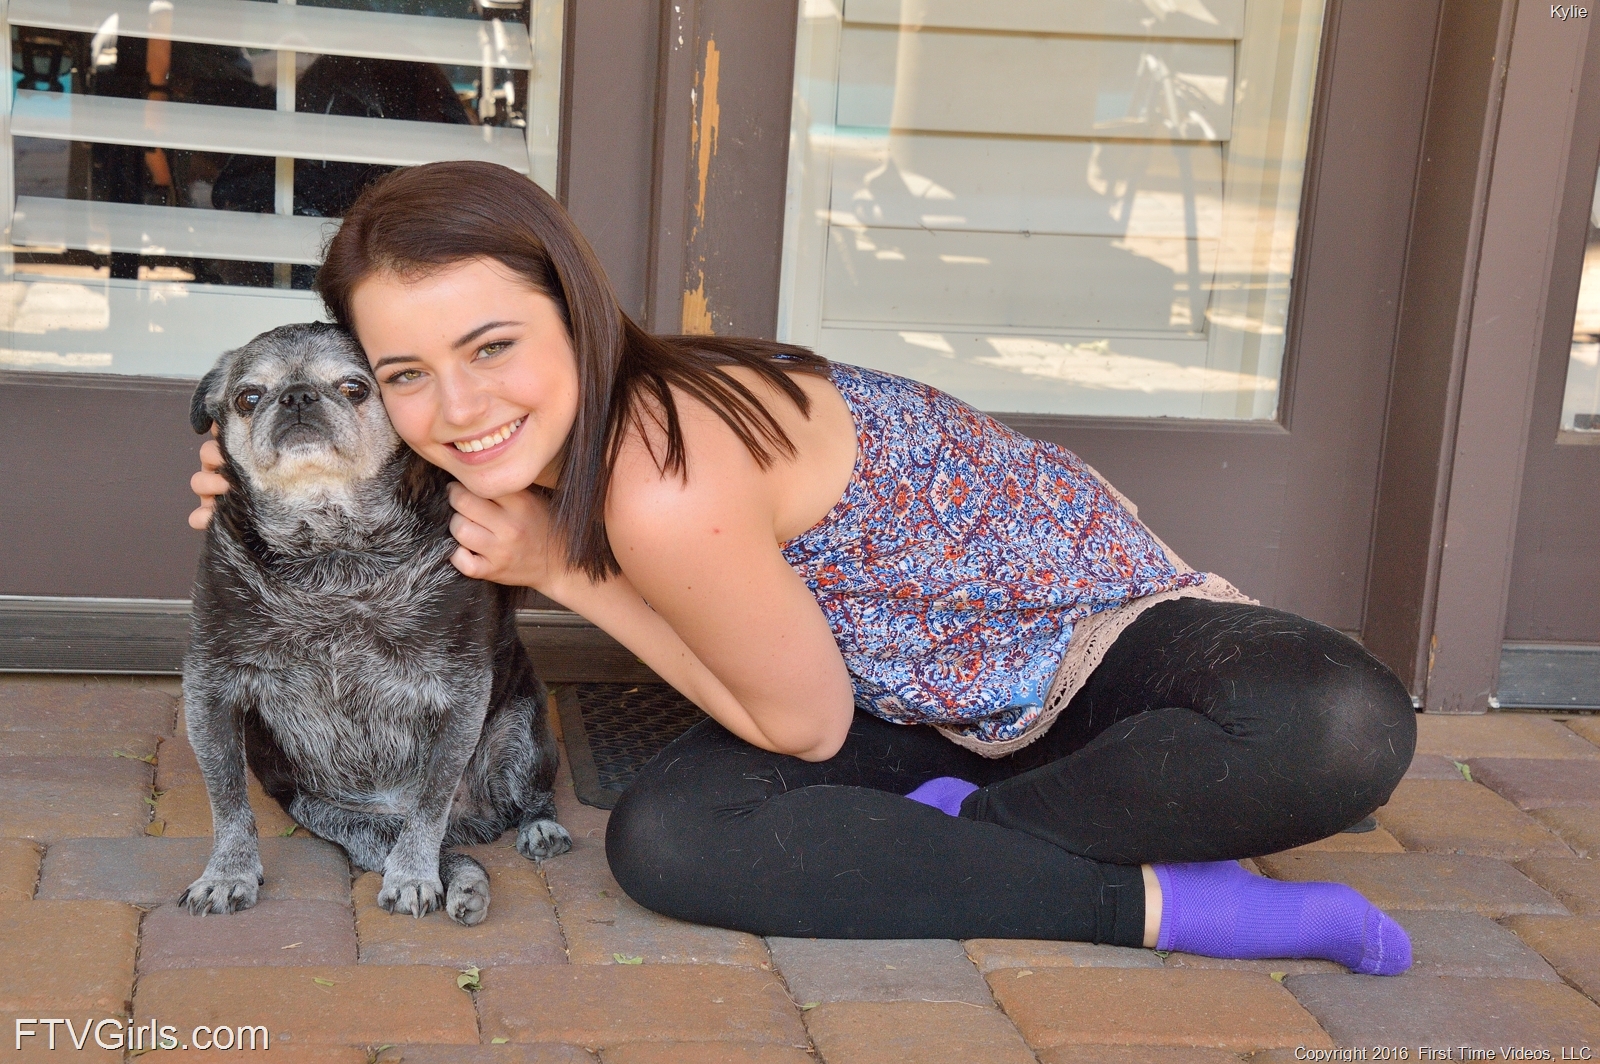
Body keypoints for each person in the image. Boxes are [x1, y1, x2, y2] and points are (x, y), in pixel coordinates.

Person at [190, 160, 1417, 973]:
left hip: (1089, 642)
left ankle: (970, 833)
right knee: (672, 838)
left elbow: (804, 725)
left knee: (1340, 722)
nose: (457, 405)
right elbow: (314, 452)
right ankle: (1173, 901)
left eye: (492, 345)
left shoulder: (660, 472)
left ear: (572, 309)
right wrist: (243, 469)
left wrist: (566, 571)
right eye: (403, 374)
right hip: (900, 698)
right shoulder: (495, 438)